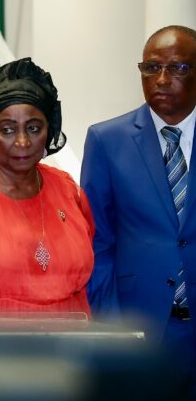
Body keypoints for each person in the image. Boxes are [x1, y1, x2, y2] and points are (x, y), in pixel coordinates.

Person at [84, 25, 196, 391]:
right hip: (139, 327)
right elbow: (97, 242)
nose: (161, 79)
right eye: (151, 68)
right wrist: (111, 324)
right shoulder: (107, 139)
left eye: (177, 68)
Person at [0, 58, 94, 312]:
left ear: (49, 131)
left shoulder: (67, 189)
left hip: (70, 334)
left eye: (33, 128)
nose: (23, 142)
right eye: (7, 130)